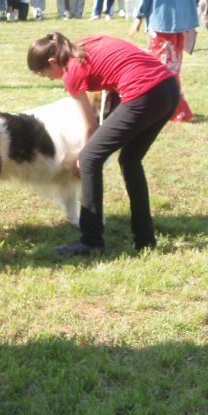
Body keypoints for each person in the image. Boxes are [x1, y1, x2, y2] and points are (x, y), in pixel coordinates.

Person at [28, 32, 179, 256]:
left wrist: (83, 159)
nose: (50, 79)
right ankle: (144, 238)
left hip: (144, 93)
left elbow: (89, 126)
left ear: (52, 62)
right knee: (130, 160)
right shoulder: (84, 43)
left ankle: (91, 241)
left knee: (89, 158)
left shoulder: (71, 72)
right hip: (168, 88)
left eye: (45, 74)